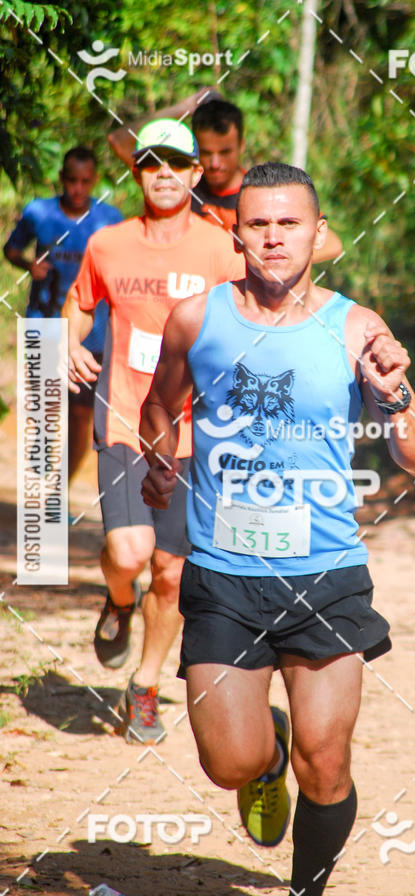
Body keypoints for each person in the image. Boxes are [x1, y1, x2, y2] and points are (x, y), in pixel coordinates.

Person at [139, 162, 415, 894]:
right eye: (259, 224)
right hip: (225, 575)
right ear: (235, 233)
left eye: (289, 223)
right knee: (229, 765)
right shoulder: (196, 319)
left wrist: (394, 393)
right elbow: (157, 405)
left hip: (326, 575)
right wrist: (159, 462)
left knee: (327, 761)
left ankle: (308, 889)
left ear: (319, 233)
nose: (274, 237)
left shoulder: (358, 327)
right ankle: (264, 756)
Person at [64, 119, 245, 744]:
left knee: (170, 572)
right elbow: (79, 303)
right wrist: (68, 342)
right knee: (130, 556)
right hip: (124, 417)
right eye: (150, 163)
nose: (164, 173)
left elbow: (260, 308)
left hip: (198, 435)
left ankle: (144, 685)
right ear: (137, 172)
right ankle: (118, 600)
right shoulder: (109, 244)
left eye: (177, 163)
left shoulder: (223, 249)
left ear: (197, 174)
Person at [3, 146, 122, 482]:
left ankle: (61, 491)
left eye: (85, 181)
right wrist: (28, 265)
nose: (78, 188)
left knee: (82, 417)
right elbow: (11, 248)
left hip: (91, 334)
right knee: (42, 410)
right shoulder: (39, 213)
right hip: (44, 324)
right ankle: (40, 498)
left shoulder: (109, 219)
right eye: (72, 180)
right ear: (61, 179)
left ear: (95, 180)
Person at [108, 92, 343, 261]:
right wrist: (184, 107)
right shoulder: (178, 183)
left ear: (241, 145)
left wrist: (256, 261)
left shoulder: (261, 192)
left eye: (225, 152)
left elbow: (332, 245)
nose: (215, 163)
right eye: (207, 153)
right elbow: (119, 140)